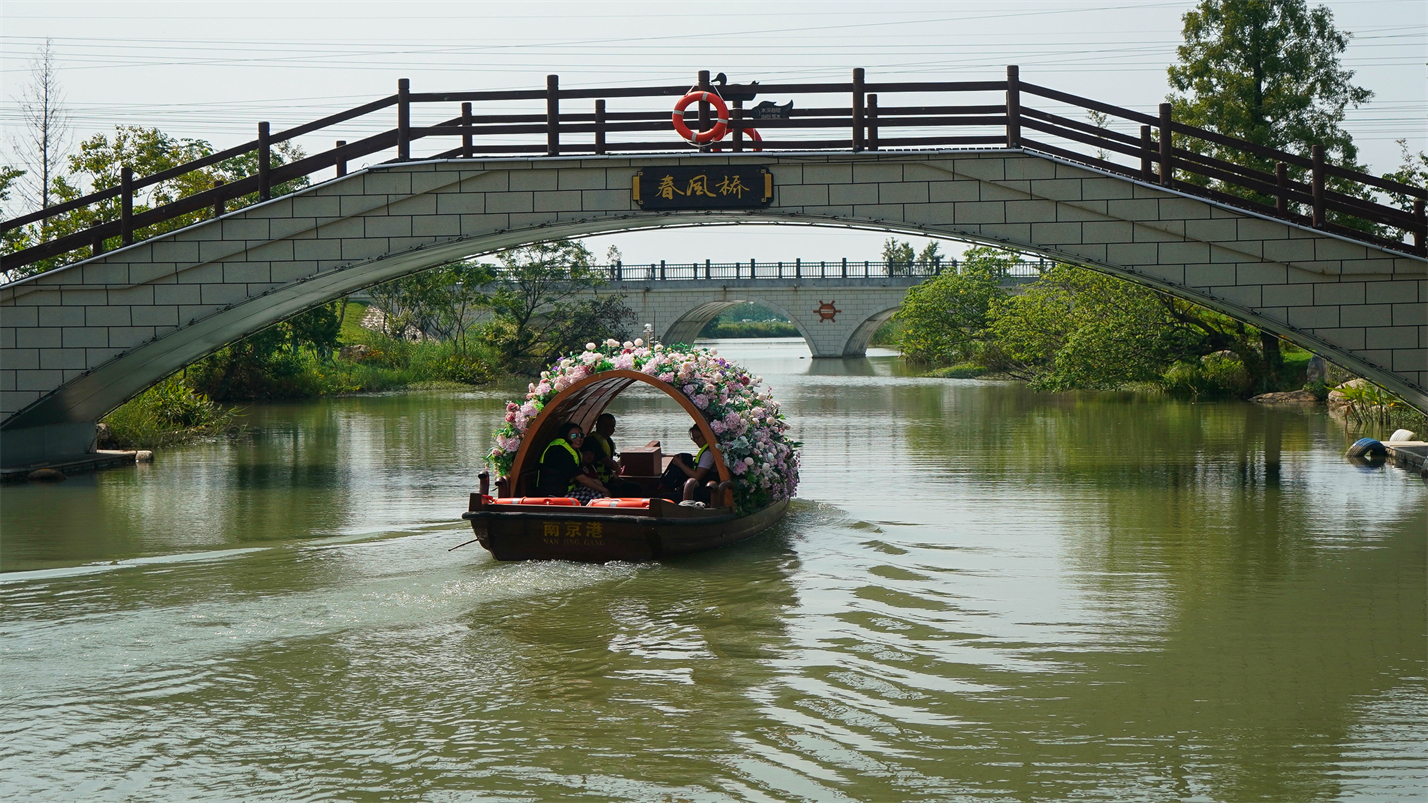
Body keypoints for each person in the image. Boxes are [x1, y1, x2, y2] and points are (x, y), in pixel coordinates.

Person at [536, 421, 609, 501]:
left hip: (567, 490)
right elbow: (582, 479)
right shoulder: (559, 452)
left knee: (597, 489)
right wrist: (605, 490)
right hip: (555, 495)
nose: (579, 439)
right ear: (566, 437)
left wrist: (596, 482)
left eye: (581, 435)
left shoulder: (572, 450)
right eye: (574, 436)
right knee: (600, 495)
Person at [588, 413, 643, 497]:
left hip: (609, 479)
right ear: (597, 425)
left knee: (636, 487)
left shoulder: (608, 440)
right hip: (596, 481)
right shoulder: (591, 441)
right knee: (617, 491)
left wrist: (615, 477)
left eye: (612, 426)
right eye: (605, 425)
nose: (608, 429)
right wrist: (617, 468)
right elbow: (607, 461)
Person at [660, 425, 715, 503]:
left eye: (698, 437)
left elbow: (697, 476)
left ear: (706, 435)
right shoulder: (706, 450)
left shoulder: (708, 453)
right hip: (698, 489)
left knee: (662, 498)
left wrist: (680, 463)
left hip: (702, 492)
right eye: (693, 438)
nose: (696, 441)